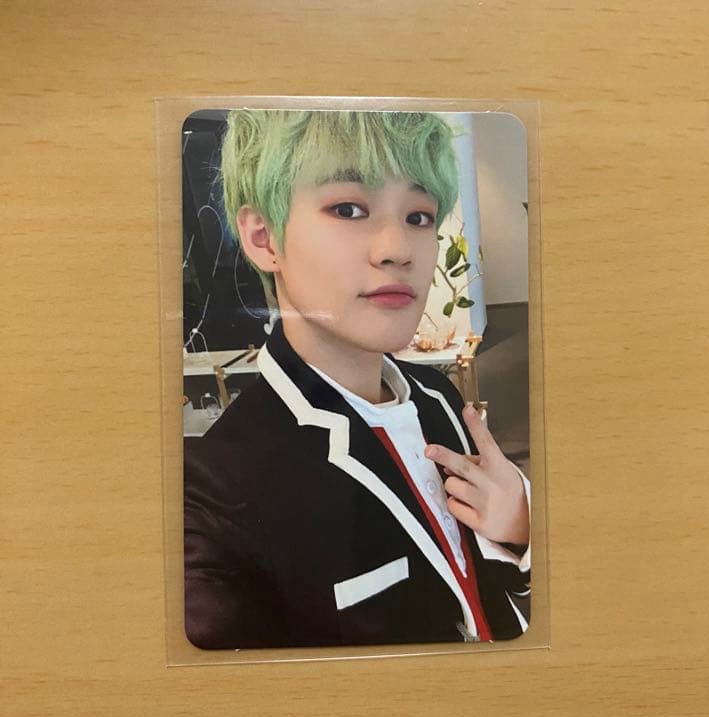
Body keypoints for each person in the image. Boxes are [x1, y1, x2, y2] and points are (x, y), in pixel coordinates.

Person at [184, 109, 530, 650]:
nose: (397, 249)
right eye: (348, 209)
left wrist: (522, 528)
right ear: (264, 237)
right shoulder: (218, 491)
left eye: (419, 216)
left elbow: (495, 591)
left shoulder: (439, 397)